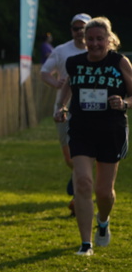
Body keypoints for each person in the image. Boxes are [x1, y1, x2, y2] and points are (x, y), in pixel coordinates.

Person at [53, 16, 132, 256]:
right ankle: (86, 244)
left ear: (109, 39)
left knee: (104, 192)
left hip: (111, 130)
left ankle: (103, 220)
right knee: (83, 183)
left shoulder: (119, 62)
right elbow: (68, 85)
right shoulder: (75, 62)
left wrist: (124, 103)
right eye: (90, 39)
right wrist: (61, 106)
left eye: (100, 39)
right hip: (81, 130)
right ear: (84, 40)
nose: (95, 43)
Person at [40, 13, 90, 213]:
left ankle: (79, 196)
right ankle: (79, 179)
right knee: (70, 159)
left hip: (90, 110)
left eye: (83, 28)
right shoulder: (61, 50)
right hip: (65, 108)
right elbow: (44, 72)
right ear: (71, 30)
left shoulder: (98, 50)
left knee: (85, 155)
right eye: (76, 28)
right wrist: (56, 83)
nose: (80, 32)